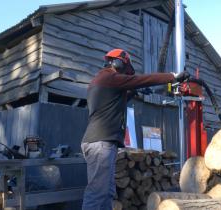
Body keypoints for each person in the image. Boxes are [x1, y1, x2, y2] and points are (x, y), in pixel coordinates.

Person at [81, 49, 190, 210]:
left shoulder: (103, 82)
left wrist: (136, 91)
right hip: (101, 143)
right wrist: (172, 76)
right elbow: (140, 80)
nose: (127, 74)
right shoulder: (109, 77)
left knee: (107, 192)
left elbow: (120, 100)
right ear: (117, 63)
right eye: (125, 69)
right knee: (97, 192)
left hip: (99, 142)